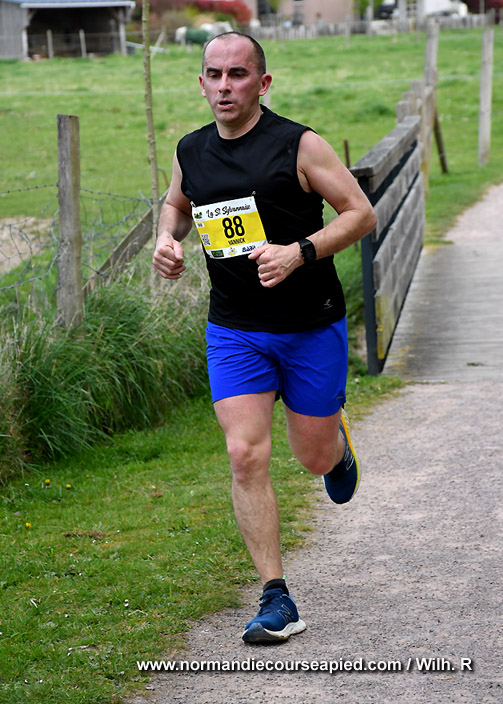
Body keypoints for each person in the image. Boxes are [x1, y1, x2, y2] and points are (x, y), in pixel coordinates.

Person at [153, 32, 376, 644]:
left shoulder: (299, 145)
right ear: (201, 83)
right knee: (244, 454)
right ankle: (277, 597)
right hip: (235, 330)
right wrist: (167, 239)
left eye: (238, 74)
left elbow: (361, 214)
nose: (224, 86)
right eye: (214, 74)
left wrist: (299, 252)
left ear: (263, 82)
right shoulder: (190, 150)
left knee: (313, 458)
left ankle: (336, 447)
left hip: (309, 326)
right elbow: (177, 205)